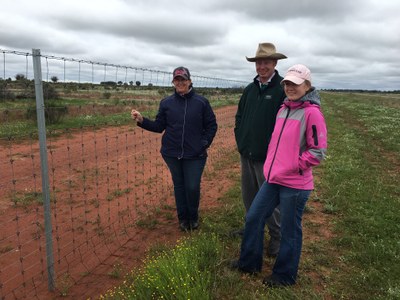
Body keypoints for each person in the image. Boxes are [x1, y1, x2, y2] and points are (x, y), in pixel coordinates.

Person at [231, 64, 328, 287]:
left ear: (307, 86)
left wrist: (292, 165)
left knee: (290, 231)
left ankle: (284, 275)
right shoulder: (284, 109)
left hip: (295, 183)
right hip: (274, 179)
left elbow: (317, 152)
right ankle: (249, 263)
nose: (290, 87)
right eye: (287, 83)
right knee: (254, 217)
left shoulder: (312, 113)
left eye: (295, 84)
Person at [131, 66, 217, 231]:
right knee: (179, 186)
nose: (180, 83)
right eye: (177, 80)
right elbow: (159, 126)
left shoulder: (201, 102)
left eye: (183, 79)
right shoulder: (166, 103)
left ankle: (193, 217)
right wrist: (142, 120)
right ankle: (183, 219)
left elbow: (212, 125)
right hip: (171, 153)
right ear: (173, 82)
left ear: (190, 81)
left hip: (195, 154)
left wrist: (204, 143)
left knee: (192, 186)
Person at [234, 42, 287, 256]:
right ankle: (252, 228)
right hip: (246, 152)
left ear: (274, 63)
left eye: (266, 62)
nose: (262, 66)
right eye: (258, 62)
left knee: (270, 200)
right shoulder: (250, 89)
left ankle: (277, 235)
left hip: (269, 157)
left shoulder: (282, 89)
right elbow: (239, 116)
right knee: (249, 195)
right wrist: (240, 138)